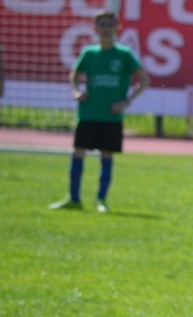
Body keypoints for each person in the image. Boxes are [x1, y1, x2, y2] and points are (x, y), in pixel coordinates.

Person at [49, 12, 149, 213]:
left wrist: (126, 102)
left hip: (111, 115)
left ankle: (101, 200)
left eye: (110, 25)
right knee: (78, 152)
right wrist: (76, 91)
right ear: (95, 28)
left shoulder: (124, 54)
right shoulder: (89, 53)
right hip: (88, 113)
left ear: (117, 28)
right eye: (102, 25)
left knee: (106, 154)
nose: (106, 29)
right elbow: (74, 75)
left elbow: (144, 80)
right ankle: (74, 198)